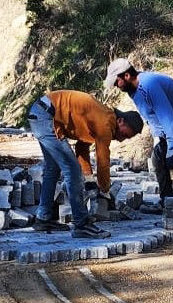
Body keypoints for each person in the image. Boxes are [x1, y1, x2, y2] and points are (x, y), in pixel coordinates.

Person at [26, 90, 143, 239]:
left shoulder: (100, 115)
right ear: (121, 121)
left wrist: (89, 180)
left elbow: (82, 147)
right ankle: (82, 224)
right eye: (126, 135)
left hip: (41, 112)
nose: (122, 140)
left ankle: (43, 218)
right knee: (73, 171)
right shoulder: (106, 122)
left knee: (53, 169)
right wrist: (105, 190)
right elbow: (103, 160)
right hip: (46, 115)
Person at [104, 58, 173, 199]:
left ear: (126, 76)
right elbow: (152, 118)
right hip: (172, 121)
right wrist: (158, 140)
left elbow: (167, 116)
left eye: (116, 82)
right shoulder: (134, 92)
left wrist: (172, 147)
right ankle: (167, 200)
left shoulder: (149, 84)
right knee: (157, 159)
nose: (116, 86)